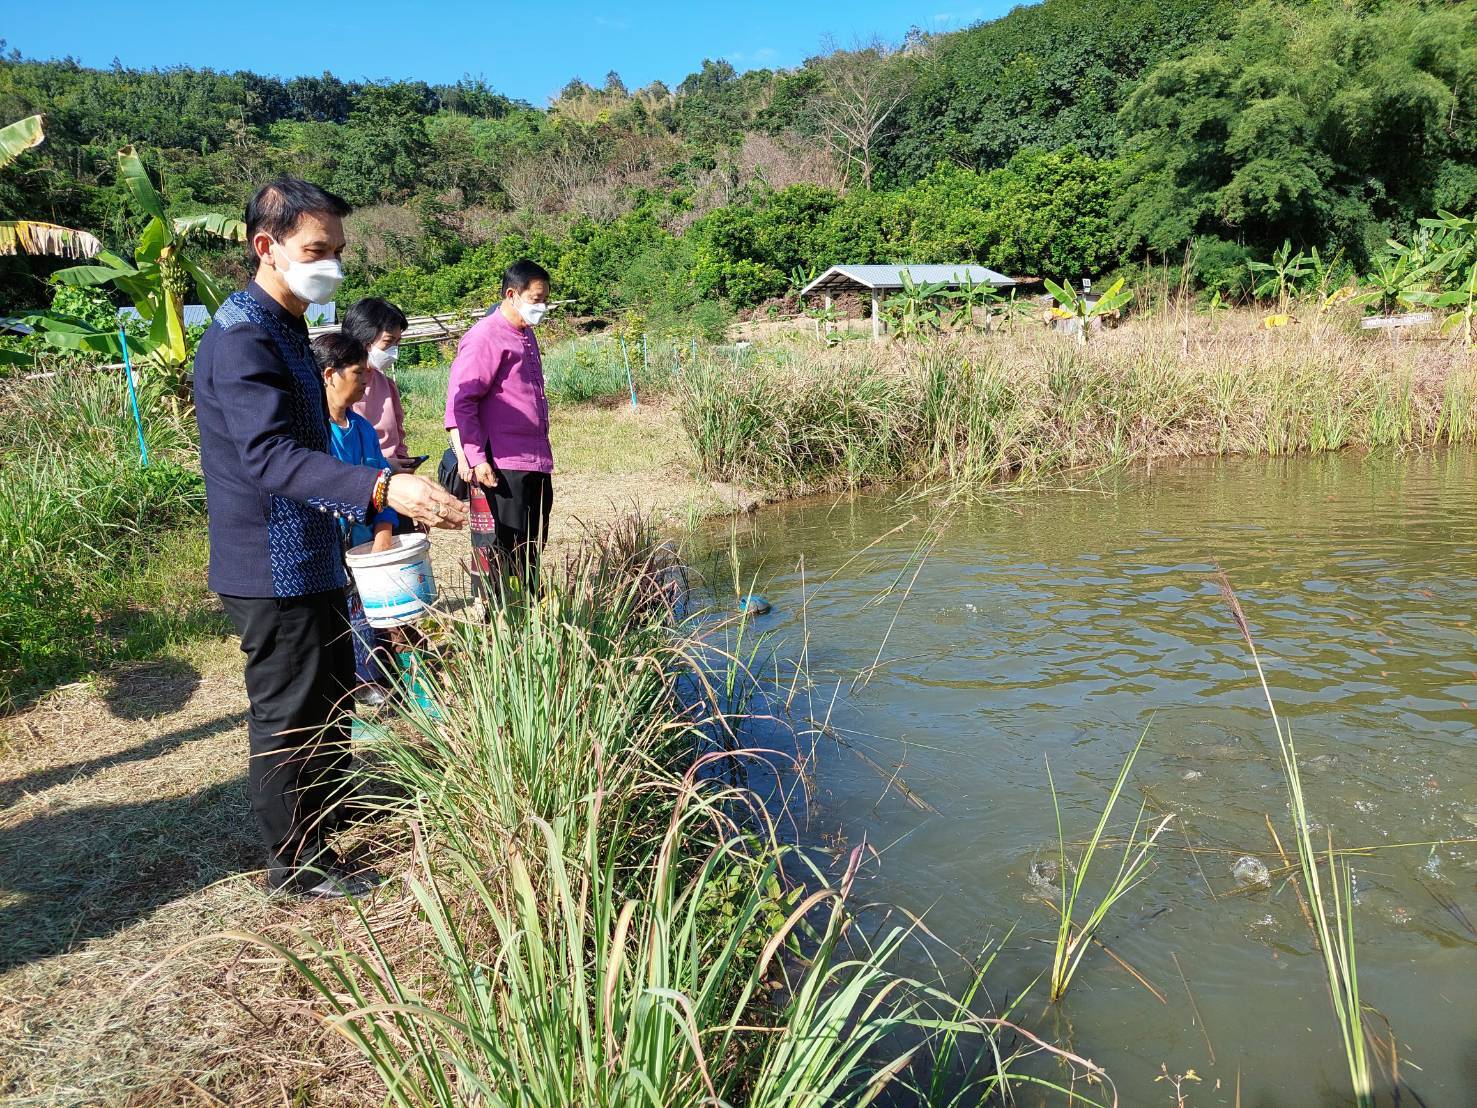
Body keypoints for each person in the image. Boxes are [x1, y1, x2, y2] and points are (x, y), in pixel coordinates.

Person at [193, 176, 466, 900]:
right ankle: (296, 866)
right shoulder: (242, 336)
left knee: (333, 697)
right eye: (317, 250)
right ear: (266, 246)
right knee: (289, 712)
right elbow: (268, 457)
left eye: (339, 251)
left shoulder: (285, 326)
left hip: (311, 552)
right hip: (268, 563)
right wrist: (382, 488)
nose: (333, 266)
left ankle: (322, 828)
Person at [443, 260, 554, 602]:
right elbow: (463, 402)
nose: (542, 307)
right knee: (505, 547)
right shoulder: (484, 337)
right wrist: (475, 458)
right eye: (536, 299)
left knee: (533, 544)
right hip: (505, 463)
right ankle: (502, 621)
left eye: (545, 299)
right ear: (512, 294)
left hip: (534, 460)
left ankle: (531, 612)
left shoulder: (526, 333)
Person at [343, 297, 416, 474]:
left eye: (397, 343)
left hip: (392, 477)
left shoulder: (387, 385)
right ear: (364, 340)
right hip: (361, 478)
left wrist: (404, 465)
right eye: (388, 342)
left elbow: (398, 436)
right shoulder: (338, 387)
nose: (394, 351)